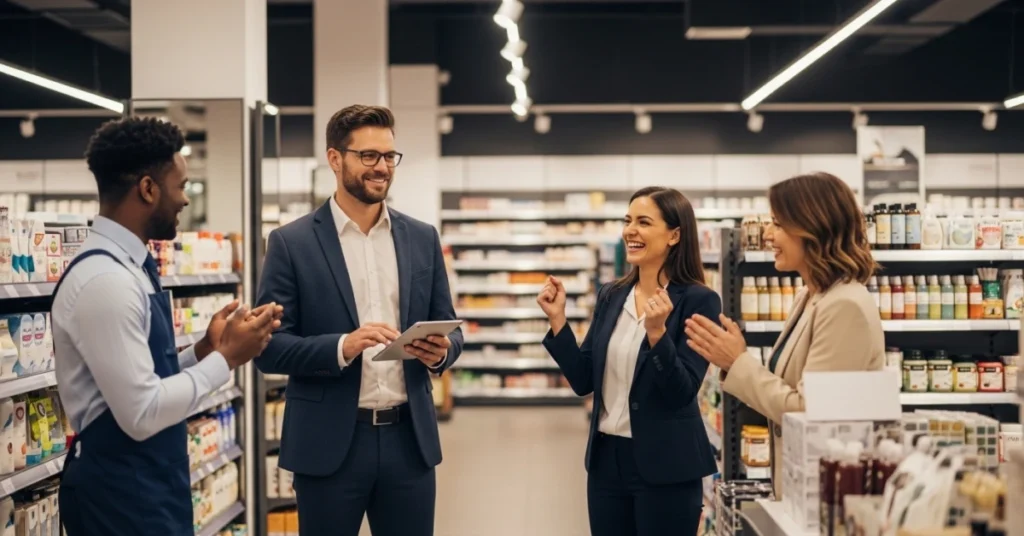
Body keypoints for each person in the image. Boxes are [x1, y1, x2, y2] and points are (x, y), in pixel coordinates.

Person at [52, 117, 282, 535]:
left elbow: (143, 379)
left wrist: (204, 351)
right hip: (118, 497)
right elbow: (142, 412)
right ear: (148, 189)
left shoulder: (131, 267)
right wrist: (227, 359)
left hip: (148, 483)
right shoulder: (106, 282)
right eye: (181, 186)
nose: (186, 200)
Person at [255, 104, 463, 536]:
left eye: (389, 156)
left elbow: (448, 326)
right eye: (368, 155)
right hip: (328, 445)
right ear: (335, 159)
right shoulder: (291, 243)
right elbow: (269, 349)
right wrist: (341, 346)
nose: (382, 167)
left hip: (409, 443)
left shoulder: (422, 238)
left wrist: (442, 353)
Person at [684, 172, 885, 495]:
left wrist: (738, 362)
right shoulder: (810, 296)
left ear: (812, 228)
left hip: (828, 490)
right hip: (800, 481)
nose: (767, 235)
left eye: (777, 224)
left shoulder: (845, 306)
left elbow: (809, 411)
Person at [537, 186, 720, 536]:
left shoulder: (699, 301)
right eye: (628, 221)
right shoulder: (612, 294)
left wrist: (657, 334)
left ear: (674, 235)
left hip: (666, 466)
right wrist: (558, 321)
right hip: (607, 463)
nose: (630, 231)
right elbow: (583, 380)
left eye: (644, 222)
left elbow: (681, 391)